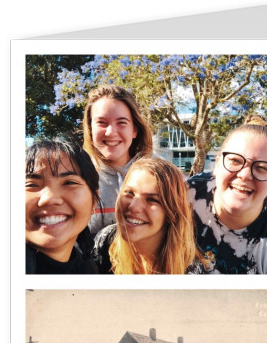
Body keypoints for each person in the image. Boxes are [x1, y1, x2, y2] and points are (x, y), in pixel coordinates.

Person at [188, 115, 267, 274]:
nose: (245, 175)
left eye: (261, 167)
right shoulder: (184, 195)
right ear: (217, 164)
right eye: (235, 161)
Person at [93, 158, 207, 274]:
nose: (134, 207)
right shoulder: (104, 242)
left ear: (172, 212)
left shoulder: (192, 272)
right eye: (129, 193)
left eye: (152, 199)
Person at [83, 85, 153, 235]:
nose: (111, 132)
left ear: (134, 130)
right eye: (102, 122)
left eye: (121, 122)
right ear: (90, 129)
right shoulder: (78, 179)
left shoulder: (158, 176)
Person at [25, 136, 101, 274]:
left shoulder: (88, 270)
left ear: (94, 201)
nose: (49, 198)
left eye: (69, 183)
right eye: (31, 185)